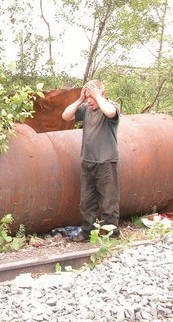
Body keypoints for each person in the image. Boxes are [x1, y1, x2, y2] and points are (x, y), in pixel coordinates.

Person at [62, 80, 121, 242]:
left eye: (92, 97)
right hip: (88, 161)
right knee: (87, 201)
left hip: (106, 161)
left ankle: (112, 233)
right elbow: (65, 116)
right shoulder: (86, 109)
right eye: (87, 97)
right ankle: (87, 232)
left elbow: (110, 113)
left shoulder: (110, 106)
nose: (90, 100)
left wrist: (97, 95)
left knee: (109, 200)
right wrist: (80, 99)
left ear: (103, 93)